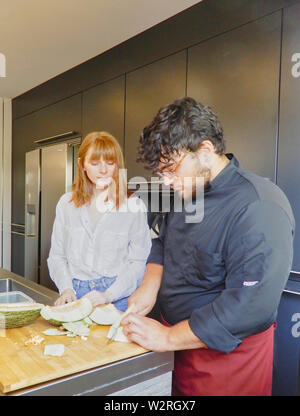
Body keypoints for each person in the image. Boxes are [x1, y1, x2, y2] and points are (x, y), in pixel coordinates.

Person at [121, 97, 295, 396]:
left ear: (204, 151)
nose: (166, 181)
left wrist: (169, 338)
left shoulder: (259, 205)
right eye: (160, 173)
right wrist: (149, 286)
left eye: (171, 168)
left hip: (227, 360)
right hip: (175, 345)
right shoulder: (183, 192)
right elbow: (163, 242)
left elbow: (249, 306)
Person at [47, 131, 151, 311]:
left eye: (110, 163)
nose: (103, 170)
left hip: (117, 296)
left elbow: (138, 262)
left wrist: (108, 295)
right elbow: (57, 256)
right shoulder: (66, 204)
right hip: (74, 294)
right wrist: (65, 288)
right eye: (94, 163)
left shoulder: (134, 207)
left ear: (117, 165)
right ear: (82, 165)